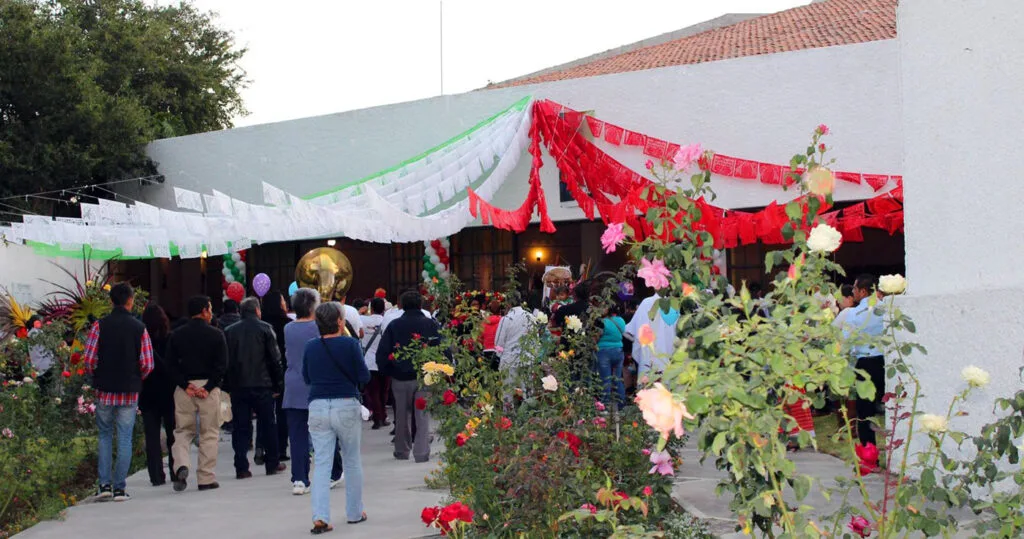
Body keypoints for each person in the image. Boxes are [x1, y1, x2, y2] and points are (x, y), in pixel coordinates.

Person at [82, 283, 154, 501]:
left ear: (111, 301)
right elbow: (148, 364)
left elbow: (88, 360)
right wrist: (134, 377)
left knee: (104, 436)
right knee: (124, 438)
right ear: (130, 301)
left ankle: (104, 485)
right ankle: (120, 488)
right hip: (129, 392)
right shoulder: (139, 328)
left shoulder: (99, 326)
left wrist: (97, 374)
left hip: (105, 390)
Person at [304, 302, 370, 533]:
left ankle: (320, 516)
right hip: (345, 403)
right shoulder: (350, 344)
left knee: (322, 463)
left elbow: (306, 377)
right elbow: (364, 375)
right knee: (351, 460)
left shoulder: (311, 347)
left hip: (318, 405)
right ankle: (354, 512)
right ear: (340, 322)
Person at [165, 295, 228, 492]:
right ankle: (206, 478)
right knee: (209, 432)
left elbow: (170, 364)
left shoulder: (176, 335)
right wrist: (208, 387)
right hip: (208, 389)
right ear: (203, 311)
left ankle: (181, 464)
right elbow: (222, 366)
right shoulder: (217, 335)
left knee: (183, 431)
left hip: (185, 389)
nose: (211, 313)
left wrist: (184, 385)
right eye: (209, 309)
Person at [283, 288, 343, 496]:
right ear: (313, 306)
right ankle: (335, 471)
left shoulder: (288, 328)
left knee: (297, 435)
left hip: (293, 385)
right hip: (318, 385)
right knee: (326, 431)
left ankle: (299, 479)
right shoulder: (318, 328)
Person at [225, 297, 286, 479]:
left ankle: (241, 466)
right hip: (263, 384)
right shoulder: (266, 328)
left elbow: (227, 361)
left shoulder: (230, 331)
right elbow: (276, 359)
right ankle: (272, 462)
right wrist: (279, 383)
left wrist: (228, 385)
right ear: (257, 311)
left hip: (239, 385)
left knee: (240, 426)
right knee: (268, 423)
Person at [377, 291, 440, 463]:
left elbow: (383, 351)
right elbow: (441, 347)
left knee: (402, 415)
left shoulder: (394, 325)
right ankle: (421, 452)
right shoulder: (430, 324)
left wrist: (388, 370)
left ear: (402, 306)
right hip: (423, 376)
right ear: (421, 305)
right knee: (422, 415)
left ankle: (402, 450)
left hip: (400, 376)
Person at [843, 274, 886, 447]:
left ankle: (869, 453)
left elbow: (848, 341)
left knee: (865, 412)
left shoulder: (854, 313)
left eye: (854, 288)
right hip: (885, 361)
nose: (853, 292)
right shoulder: (885, 308)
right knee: (891, 407)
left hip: (864, 363)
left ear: (862, 291)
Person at [140, 304, 176, 487]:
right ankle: (175, 470)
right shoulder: (170, 338)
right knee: (173, 434)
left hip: (147, 391)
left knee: (152, 435)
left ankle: (156, 475)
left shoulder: (142, 341)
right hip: (168, 391)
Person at [259, 290, 292, 463]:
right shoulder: (287, 325)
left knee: (265, 413)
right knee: (282, 412)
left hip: (262, 374)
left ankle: (263, 447)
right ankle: (280, 448)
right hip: (283, 371)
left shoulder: (260, 324)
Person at [624, 292, 677, 380]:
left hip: (648, 357)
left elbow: (628, 330)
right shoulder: (672, 305)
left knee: (648, 388)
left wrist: (637, 341)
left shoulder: (646, 303)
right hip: (666, 357)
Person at [360, 298, 389, 429]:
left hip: (368, 361)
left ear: (371, 308)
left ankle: (377, 417)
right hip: (384, 361)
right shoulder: (386, 321)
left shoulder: (363, 320)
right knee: (384, 392)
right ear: (384, 309)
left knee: (373, 391)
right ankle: (383, 416)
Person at [493, 293, 536, 379]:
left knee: (508, 391)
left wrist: (498, 356)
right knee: (525, 390)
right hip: (526, 360)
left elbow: (499, 342)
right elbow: (535, 339)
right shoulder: (530, 317)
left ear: (508, 304)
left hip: (509, 361)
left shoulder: (506, 319)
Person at [596, 304, 627, 408]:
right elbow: (623, 332)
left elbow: (596, 337)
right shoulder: (621, 320)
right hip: (618, 351)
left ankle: (604, 405)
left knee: (605, 379)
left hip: (604, 352)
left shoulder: (602, 322)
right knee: (617, 379)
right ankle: (621, 404)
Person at [480, 300, 502, 370]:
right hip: (499, 351)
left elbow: (479, 339)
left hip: (486, 351)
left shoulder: (483, 323)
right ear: (500, 310)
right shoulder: (503, 321)